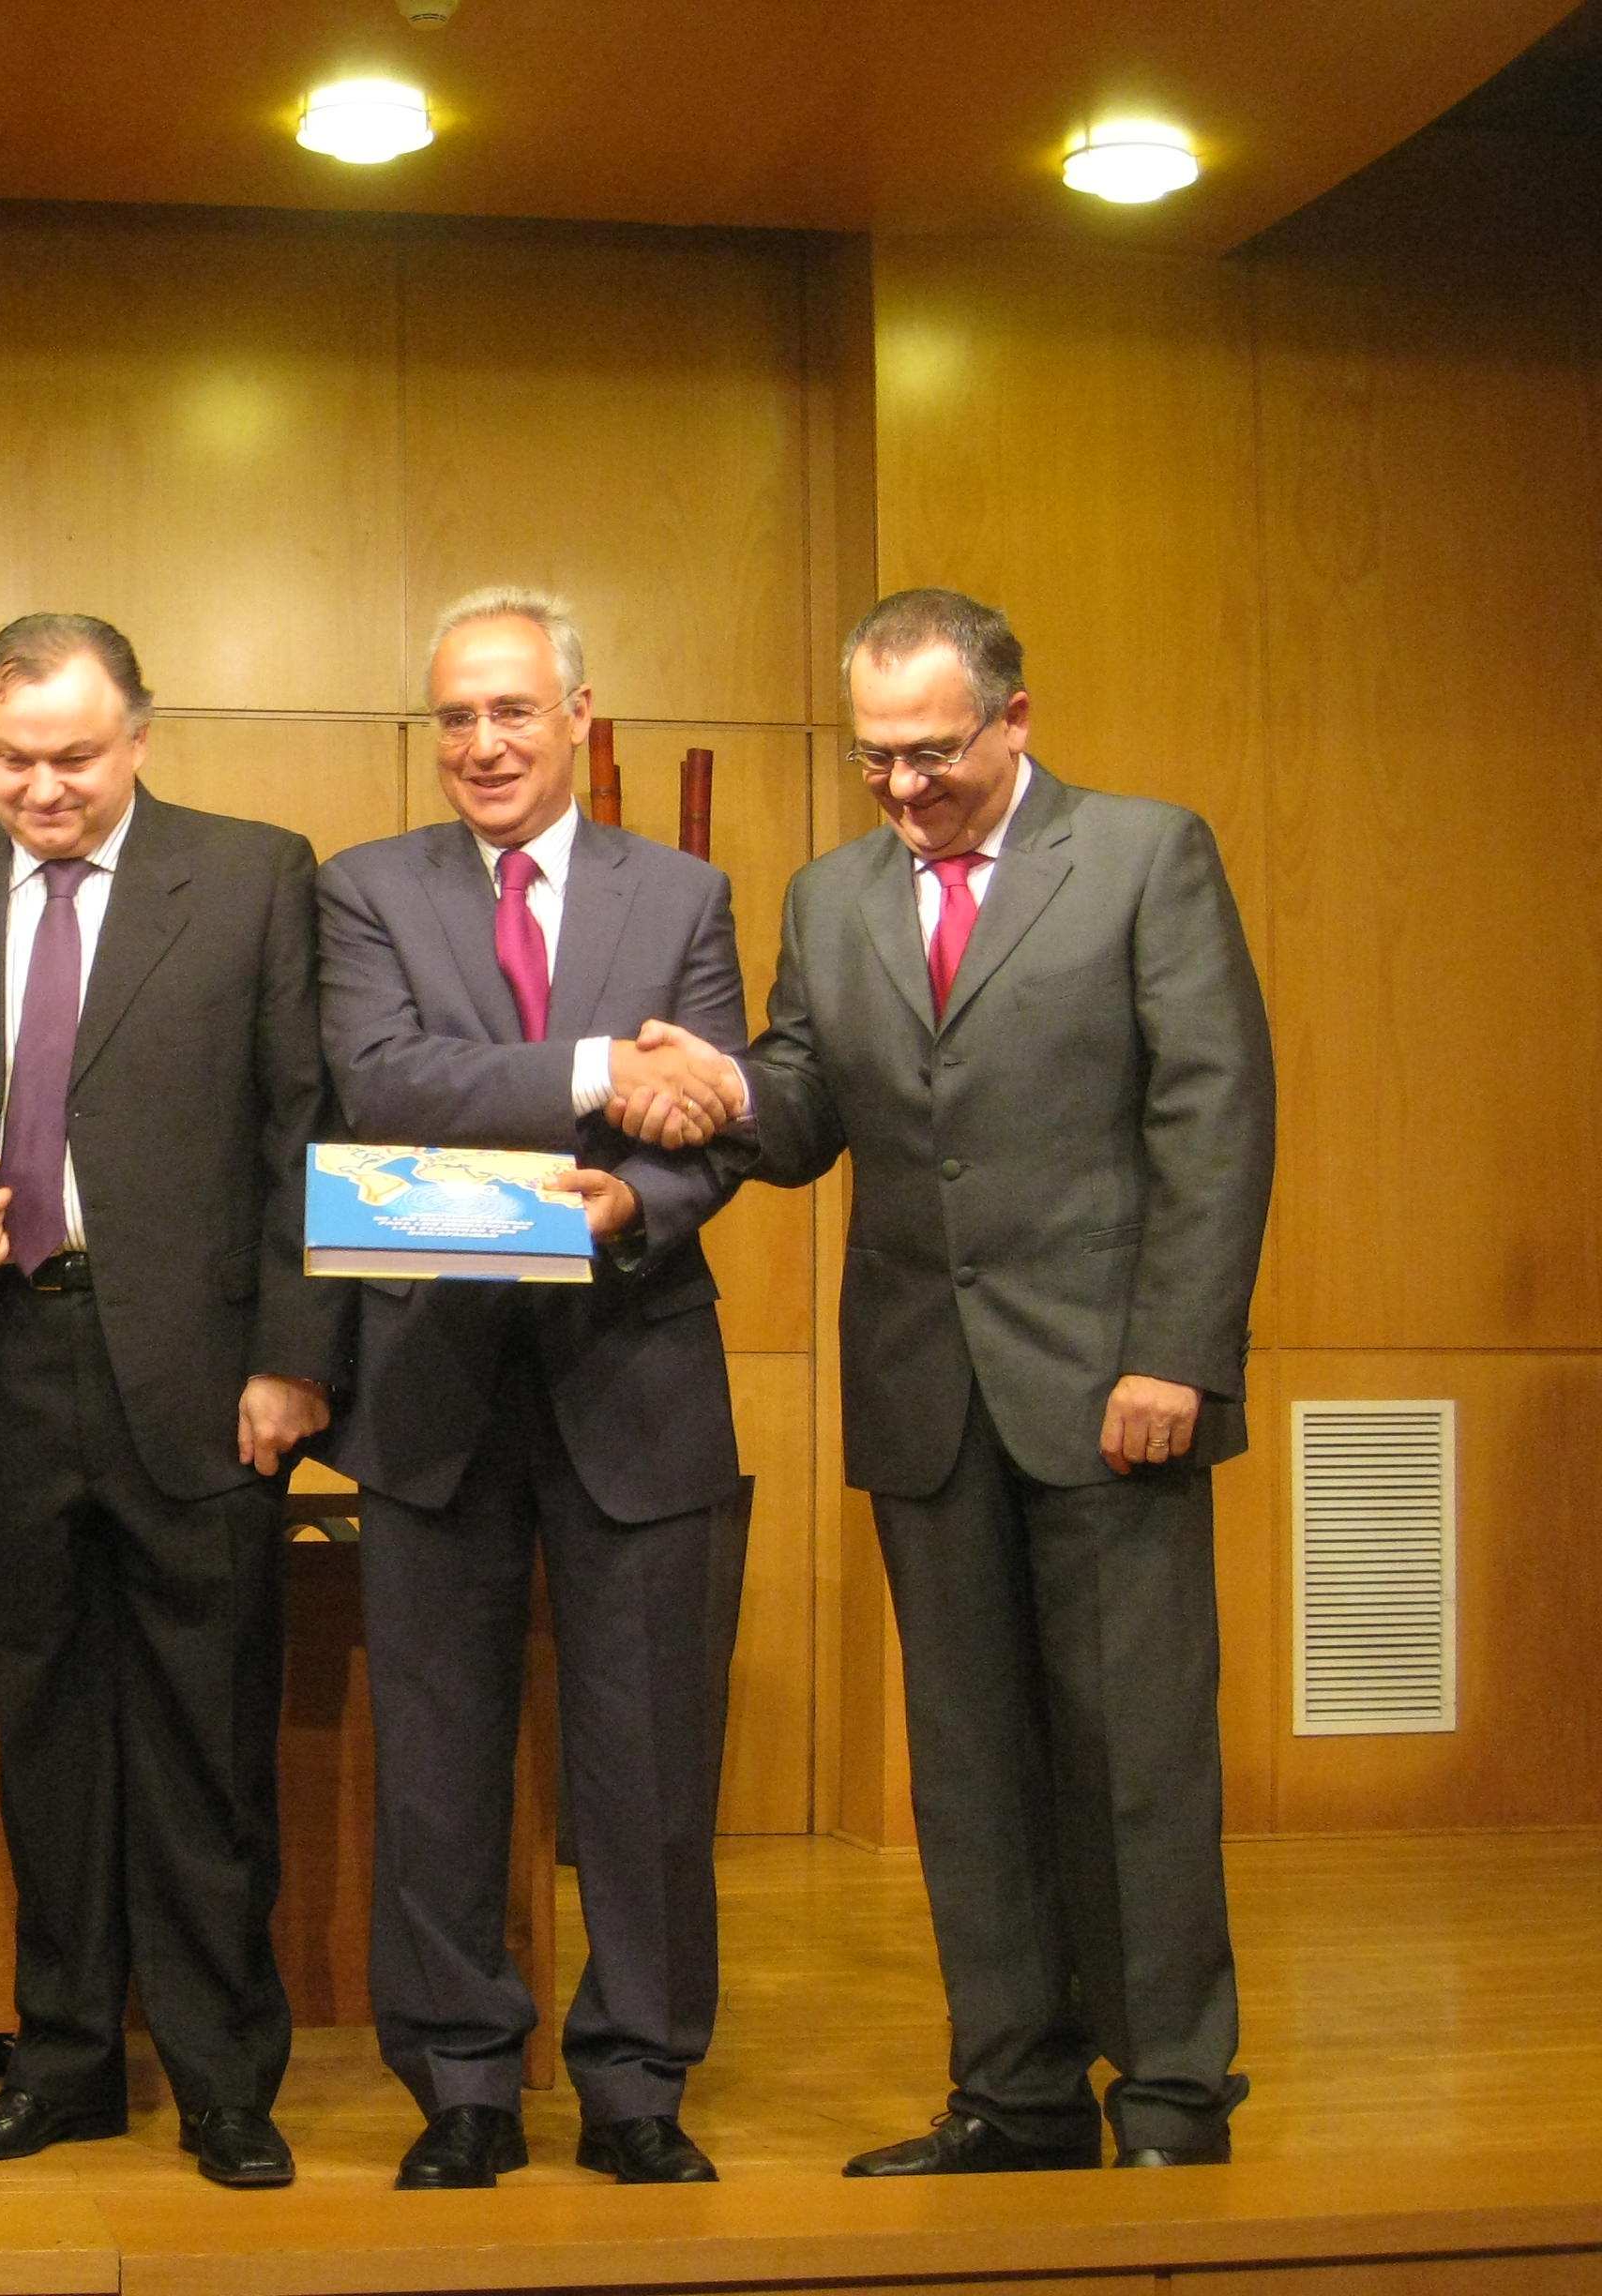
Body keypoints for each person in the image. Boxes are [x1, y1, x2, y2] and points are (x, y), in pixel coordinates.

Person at [629, 587, 1272, 2173]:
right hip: (925, 1393)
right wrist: (720, 1093)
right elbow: (804, 1102)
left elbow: (1216, 1113)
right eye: (875, 758)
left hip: (1112, 1389)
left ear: (1015, 720)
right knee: (968, 1768)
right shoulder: (835, 895)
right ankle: (1019, 2091)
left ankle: (1177, 2092)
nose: (906, 786)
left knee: (1134, 1757)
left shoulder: (1144, 855)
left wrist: (1174, 1355)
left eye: (934, 752)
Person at [0, 612, 347, 2189]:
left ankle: (220, 2080)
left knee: (207, 1746)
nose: (39, 789)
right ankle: (62, 2065)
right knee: (44, 1742)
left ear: (140, 735)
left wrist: (295, 1356)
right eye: (10, 759)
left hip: (203, 1385)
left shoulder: (256, 871)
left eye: (71, 756)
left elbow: (300, 1130)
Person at [311, 588, 749, 2189]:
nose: (482, 744)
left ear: (579, 714)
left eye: (512, 712)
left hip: (634, 1372)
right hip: (435, 1383)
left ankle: (640, 2084)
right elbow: (379, 1081)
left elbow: (709, 1111)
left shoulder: (686, 893)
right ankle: (465, 2084)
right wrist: (591, 1077)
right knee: (437, 1763)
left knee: (645, 1768)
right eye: (454, 719)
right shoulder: (364, 892)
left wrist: (640, 1198)